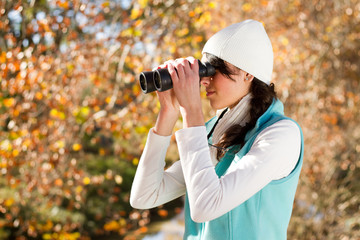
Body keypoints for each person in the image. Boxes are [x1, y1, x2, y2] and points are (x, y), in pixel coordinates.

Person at [130, 19, 303, 240]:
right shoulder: (217, 129)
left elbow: (206, 206)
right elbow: (144, 196)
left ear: (247, 74)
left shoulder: (280, 135)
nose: (204, 81)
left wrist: (191, 110)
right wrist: (169, 111)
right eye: (204, 70)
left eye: (215, 70)